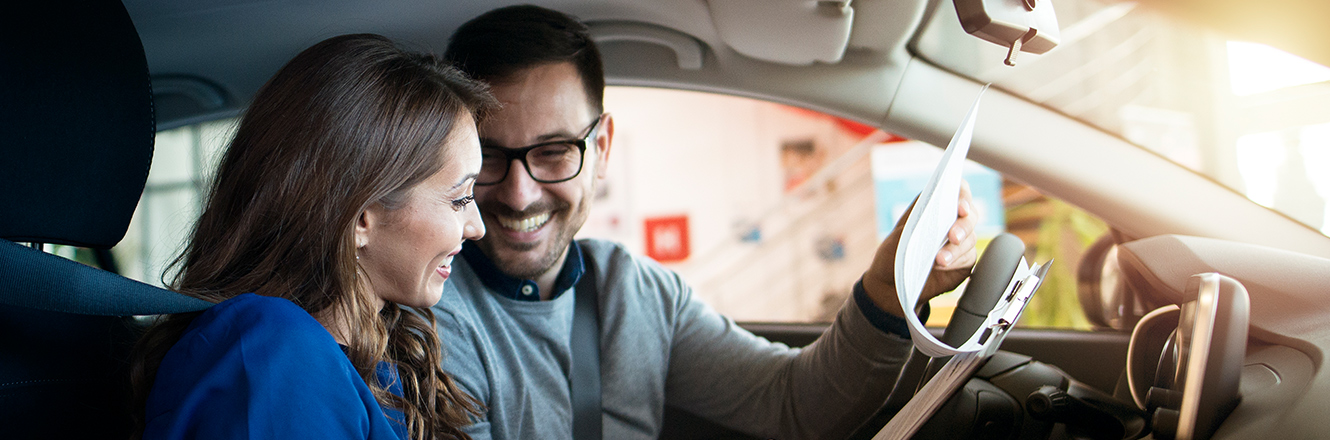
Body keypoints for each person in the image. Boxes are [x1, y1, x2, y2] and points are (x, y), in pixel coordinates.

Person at [432, 5, 979, 440]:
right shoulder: (430, 315)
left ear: (602, 147)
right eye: (488, 156)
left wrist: (887, 288)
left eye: (553, 152)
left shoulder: (635, 291)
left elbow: (794, 404)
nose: (519, 192)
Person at [128, 34, 496, 440]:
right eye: (460, 198)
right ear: (361, 218)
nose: (476, 226)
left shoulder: (378, 357)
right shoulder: (273, 355)